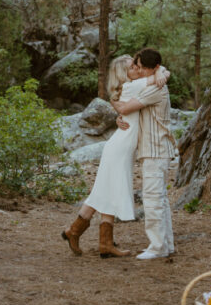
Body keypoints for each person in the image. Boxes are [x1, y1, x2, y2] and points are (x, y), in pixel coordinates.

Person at [61, 55, 168, 258]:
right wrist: (161, 70)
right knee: (103, 192)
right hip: (119, 149)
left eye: (137, 66)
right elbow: (158, 75)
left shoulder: (129, 87)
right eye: (132, 67)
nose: (137, 69)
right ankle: (79, 234)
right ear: (123, 73)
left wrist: (161, 71)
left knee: (104, 192)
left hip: (120, 147)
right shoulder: (133, 86)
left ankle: (96, 240)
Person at [112, 47, 175, 260]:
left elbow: (126, 107)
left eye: (141, 67)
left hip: (155, 150)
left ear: (153, 68)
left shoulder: (154, 88)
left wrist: (120, 112)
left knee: (153, 198)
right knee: (160, 198)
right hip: (154, 149)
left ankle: (157, 247)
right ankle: (166, 244)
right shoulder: (155, 79)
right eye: (136, 66)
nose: (138, 70)